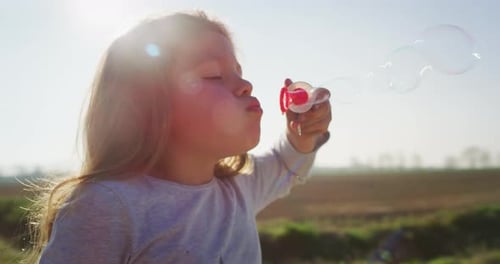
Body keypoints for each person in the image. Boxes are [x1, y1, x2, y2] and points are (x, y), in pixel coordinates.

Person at [25, 11, 331, 264]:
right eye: (213, 75)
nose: (246, 85)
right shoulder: (106, 207)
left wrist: (303, 134)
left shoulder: (236, 191)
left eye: (239, 72)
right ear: (146, 108)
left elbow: (284, 165)